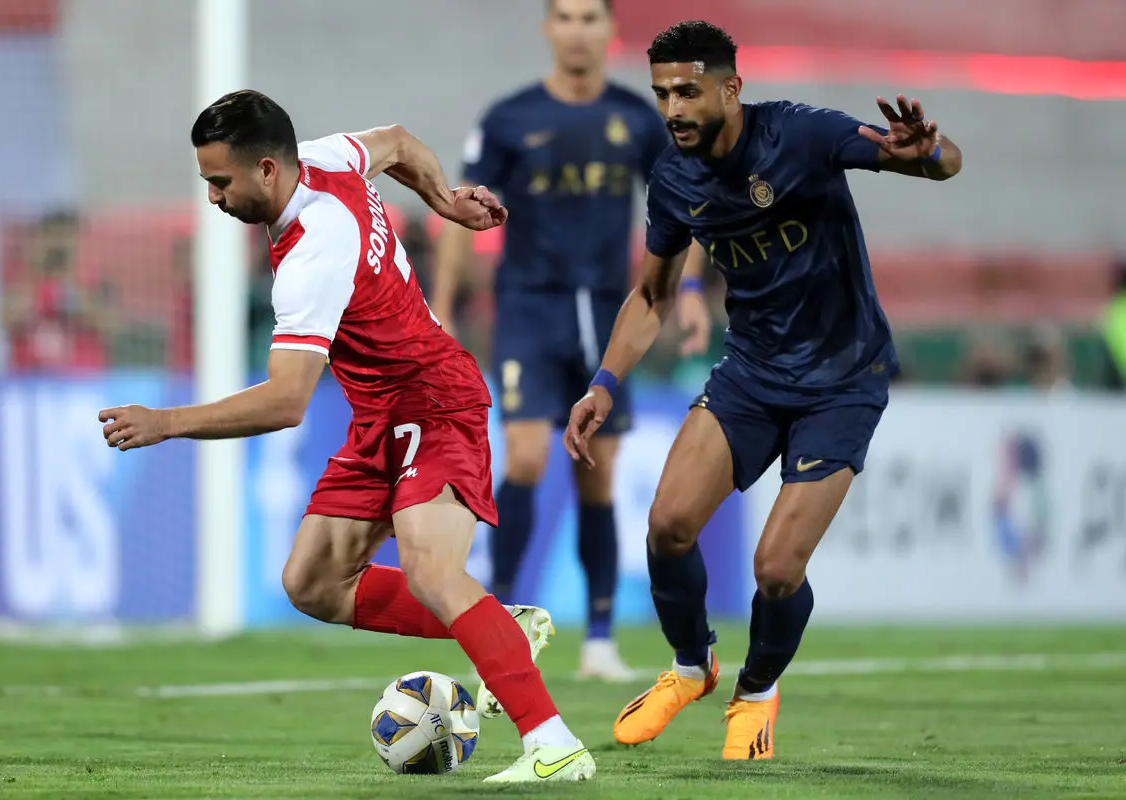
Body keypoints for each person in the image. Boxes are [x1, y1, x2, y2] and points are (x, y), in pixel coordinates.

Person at [98, 90, 595, 784]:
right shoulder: (326, 159)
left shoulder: (314, 251)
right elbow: (396, 140)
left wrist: (167, 422)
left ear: (267, 169)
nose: (212, 197)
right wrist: (445, 201)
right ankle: (500, 627)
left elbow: (286, 400)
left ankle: (553, 745)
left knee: (432, 571)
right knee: (313, 582)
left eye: (220, 181)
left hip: (433, 399)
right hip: (380, 414)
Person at [563, 21, 962, 759]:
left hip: (843, 378)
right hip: (751, 372)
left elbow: (943, 164)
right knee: (667, 524)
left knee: (776, 568)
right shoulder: (673, 179)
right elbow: (651, 296)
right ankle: (693, 667)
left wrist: (928, 153)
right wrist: (604, 383)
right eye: (662, 94)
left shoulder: (801, 136)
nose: (673, 109)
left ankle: (756, 691)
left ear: (731, 88)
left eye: (688, 91)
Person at [431, 0, 711, 685]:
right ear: (548, 29)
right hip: (529, 308)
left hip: (609, 314)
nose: (578, 30)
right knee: (526, 457)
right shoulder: (510, 118)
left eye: (590, 17)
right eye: (566, 17)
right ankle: (497, 625)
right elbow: (457, 210)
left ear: (610, 29)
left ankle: (601, 640)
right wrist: (441, 308)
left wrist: (690, 290)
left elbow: (688, 206)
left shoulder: (638, 119)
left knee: (598, 474)